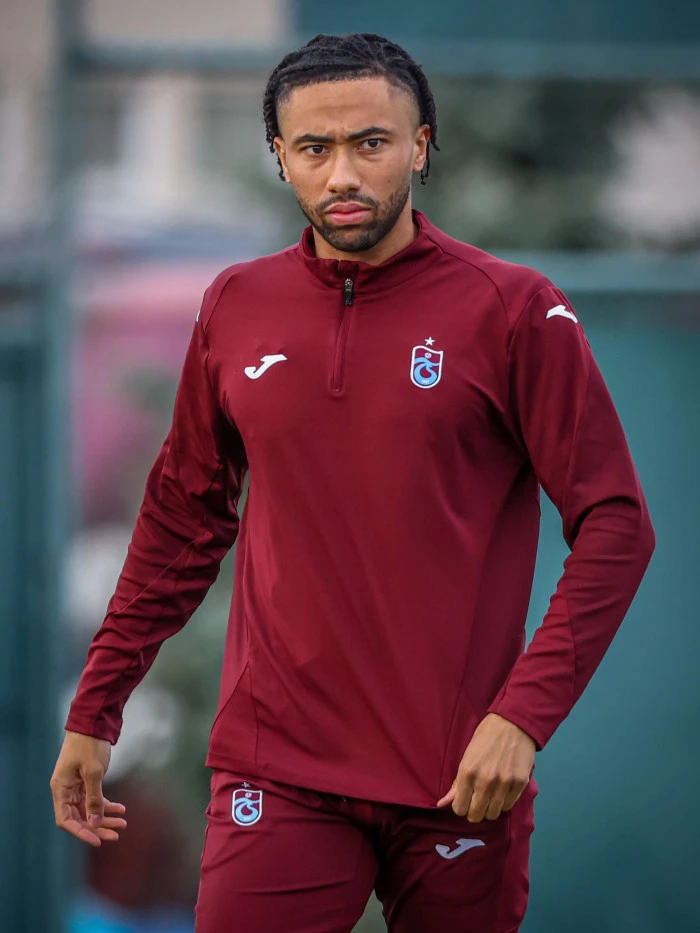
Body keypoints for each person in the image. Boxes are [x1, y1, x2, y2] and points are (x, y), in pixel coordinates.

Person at [51, 33, 655, 933]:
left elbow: (617, 523)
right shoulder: (235, 305)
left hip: (461, 777)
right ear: (280, 156)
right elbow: (181, 523)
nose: (342, 173)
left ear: (419, 146)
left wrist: (521, 719)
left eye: (371, 142)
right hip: (277, 768)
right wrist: (96, 707)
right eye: (313, 147)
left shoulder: (513, 308)